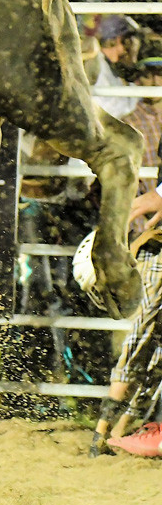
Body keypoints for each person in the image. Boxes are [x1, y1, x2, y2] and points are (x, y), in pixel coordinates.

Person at [89, 53, 162, 459]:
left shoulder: (140, 120)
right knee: (145, 338)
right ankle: (110, 433)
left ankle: (112, 432)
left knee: (144, 339)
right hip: (154, 240)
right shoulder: (140, 119)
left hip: (153, 238)